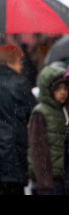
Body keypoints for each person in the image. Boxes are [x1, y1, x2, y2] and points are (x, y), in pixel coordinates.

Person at [0, 44, 37, 195]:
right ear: (9, 62)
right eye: (19, 62)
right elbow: (33, 114)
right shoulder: (20, 84)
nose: (21, 67)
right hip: (14, 156)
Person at [28, 64, 69, 195]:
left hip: (65, 178)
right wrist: (45, 184)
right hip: (51, 182)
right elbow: (38, 150)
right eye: (58, 88)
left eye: (65, 88)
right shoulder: (41, 113)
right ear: (49, 90)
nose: (63, 92)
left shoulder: (65, 110)